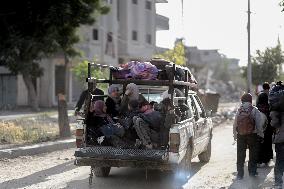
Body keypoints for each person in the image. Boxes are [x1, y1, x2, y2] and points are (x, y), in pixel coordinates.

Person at [233, 93, 266, 179]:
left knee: (240, 155)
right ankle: (252, 172)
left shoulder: (239, 110)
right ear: (250, 100)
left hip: (241, 135)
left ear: (242, 100)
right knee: (253, 154)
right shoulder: (254, 110)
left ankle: (240, 174)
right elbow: (259, 124)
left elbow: (235, 124)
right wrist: (261, 135)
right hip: (252, 135)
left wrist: (235, 136)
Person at [256, 82, 273, 167]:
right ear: (268, 88)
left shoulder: (259, 95)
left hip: (259, 124)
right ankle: (266, 160)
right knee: (267, 142)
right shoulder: (269, 95)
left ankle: (259, 160)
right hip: (268, 125)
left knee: (260, 142)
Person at [271, 81, 284, 187]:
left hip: (279, 138)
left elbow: (273, 124)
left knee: (279, 160)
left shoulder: (275, 112)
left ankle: (278, 183)